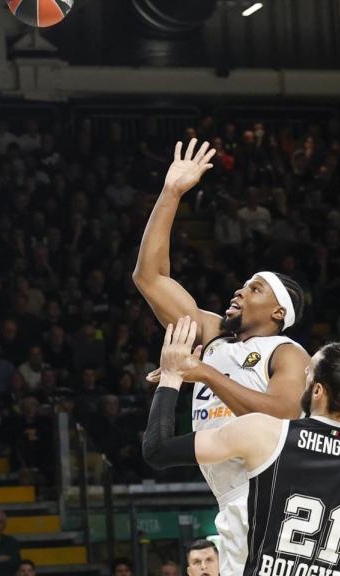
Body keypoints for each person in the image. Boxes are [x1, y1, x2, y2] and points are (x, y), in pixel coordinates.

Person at [134, 140, 310, 567]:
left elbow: (286, 412)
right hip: (231, 498)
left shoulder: (287, 351)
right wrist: (171, 194)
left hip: (276, 495)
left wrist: (205, 375)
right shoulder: (213, 336)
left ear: (277, 311)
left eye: (254, 288)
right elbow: (150, 276)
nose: (239, 290)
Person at [143, 318, 340, 576]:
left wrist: (171, 376)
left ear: (317, 391)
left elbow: (158, 449)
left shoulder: (264, 432)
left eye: (306, 374)